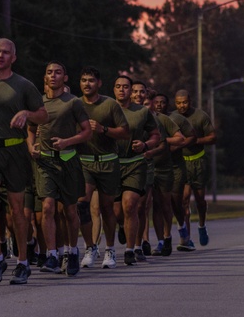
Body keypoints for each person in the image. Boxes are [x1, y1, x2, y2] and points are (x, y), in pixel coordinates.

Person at [0, 38, 49, 285]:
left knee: (17, 210)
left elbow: (43, 115)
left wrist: (27, 113)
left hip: (15, 151)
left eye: (5, 52)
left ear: (13, 57)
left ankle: (23, 262)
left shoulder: (23, 85)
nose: (0, 55)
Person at [27, 61, 91, 277]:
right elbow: (30, 129)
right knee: (47, 207)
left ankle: (72, 251)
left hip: (68, 161)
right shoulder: (38, 103)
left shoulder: (73, 102)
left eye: (58, 73)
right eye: (49, 73)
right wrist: (30, 147)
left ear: (65, 77)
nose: (53, 76)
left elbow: (86, 132)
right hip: (44, 162)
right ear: (45, 77)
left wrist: (67, 142)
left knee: (70, 211)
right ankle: (53, 254)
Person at [77, 66, 130, 268]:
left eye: (91, 80)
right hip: (84, 162)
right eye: (83, 80)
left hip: (108, 161)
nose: (87, 84)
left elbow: (125, 133)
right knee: (82, 205)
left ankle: (110, 250)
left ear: (98, 83)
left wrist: (103, 129)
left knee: (108, 209)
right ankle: (90, 247)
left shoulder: (110, 105)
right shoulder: (75, 104)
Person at [112, 75, 159, 265]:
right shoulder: (107, 108)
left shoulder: (142, 112)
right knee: (116, 212)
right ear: (113, 89)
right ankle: (122, 225)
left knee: (132, 205)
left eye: (126, 87)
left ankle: (131, 249)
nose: (122, 90)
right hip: (112, 164)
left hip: (135, 163)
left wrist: (145, 144)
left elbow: (156, 136)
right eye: (118, 86)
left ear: (131, 91)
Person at [170, 90, 215, 249]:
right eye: (178, 102)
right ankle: (186, 238)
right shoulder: (173, 118)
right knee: (183, 200)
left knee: (200, 199)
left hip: (198, 161)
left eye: (184, 102)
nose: (182, 105)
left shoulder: (200, 116)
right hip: (181, 162)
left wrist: (194, 141)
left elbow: (212, 137)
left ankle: (202, 226)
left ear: (190, 101)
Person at [149, 93, 187, 256]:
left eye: (146, 102)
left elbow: (180, 139)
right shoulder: (132, 118)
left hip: (163, 169)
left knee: (165, 204)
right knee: (150, 206)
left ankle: (167, 236)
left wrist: (161, 141)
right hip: (143, 167)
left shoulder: (162, 119)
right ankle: (157, 241)